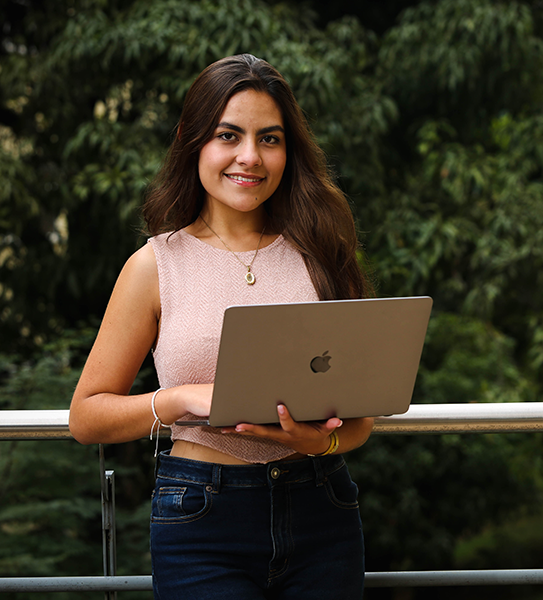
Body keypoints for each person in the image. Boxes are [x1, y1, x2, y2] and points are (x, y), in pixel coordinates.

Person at [69, 53, 374, 599]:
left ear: (289, 149)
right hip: (200, 517)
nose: (249, 158)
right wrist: (182, 397)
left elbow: (359, 423)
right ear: (192, 140)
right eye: (228, 135)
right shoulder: (154, 265)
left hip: (321, 509)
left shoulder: (323, 255)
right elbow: (87, 416)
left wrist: (317, 444)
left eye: (270, 139)